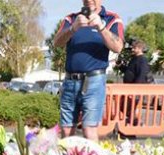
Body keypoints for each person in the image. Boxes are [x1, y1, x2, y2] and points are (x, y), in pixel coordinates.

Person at [52, 0, 124, 141]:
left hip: (94, 81)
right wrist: (73, 28)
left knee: (89, 129)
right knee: (66, 130)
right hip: (70, 81)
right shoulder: (72, 18)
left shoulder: (112, 19)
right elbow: (57, 43)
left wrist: (101, 27)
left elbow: (118, 47)